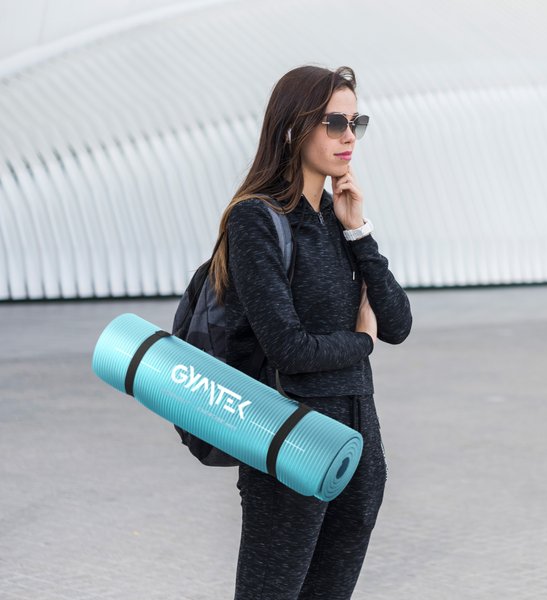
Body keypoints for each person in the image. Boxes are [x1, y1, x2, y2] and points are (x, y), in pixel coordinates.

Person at [209, 65, 412, 600]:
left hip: (358, 447)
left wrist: (359, 231)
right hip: (291, 440)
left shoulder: (336, 217)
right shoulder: (257, 220)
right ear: (292, 129)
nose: (349, 136)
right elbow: (289, 348)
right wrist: (361, 341)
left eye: (356, 122)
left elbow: (397, 324)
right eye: (334, 123)